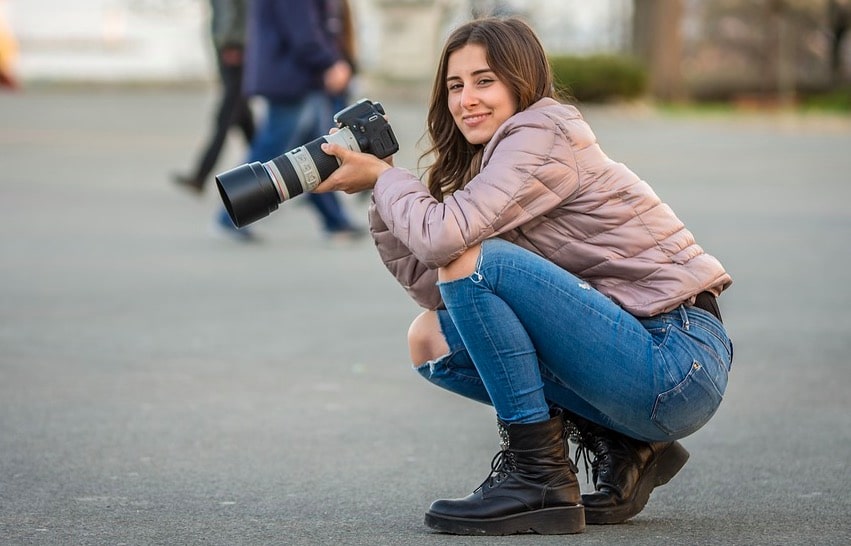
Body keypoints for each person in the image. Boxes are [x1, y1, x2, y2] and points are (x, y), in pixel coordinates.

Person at [316, 16, 733, 536]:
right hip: (632, 363)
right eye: (455, 85)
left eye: (484, 81)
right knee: (431, 339)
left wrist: (386, 180)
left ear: (522, 81)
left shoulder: (542, 132)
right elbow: (441, 289)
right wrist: (382, 197)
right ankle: (628, 444)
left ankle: (537, 478)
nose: (467, 98)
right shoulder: (495, 160)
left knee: (470, 256)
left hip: (677, 358)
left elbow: (451, 247)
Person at [216, 0, 363, 241]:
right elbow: (301, 28)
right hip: (291, 77)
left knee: (318, 152)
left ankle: (335, 221)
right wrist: (329, 61)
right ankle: (229, 215)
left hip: (296, 76)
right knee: (272, 150)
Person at [173, 0, 254, 194]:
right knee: (243, 117)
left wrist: (232, 42)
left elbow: (234, 10)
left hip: (234, 50)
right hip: (233, 48)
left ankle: (201, 174)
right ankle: (273, 167)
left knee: (225, 116)